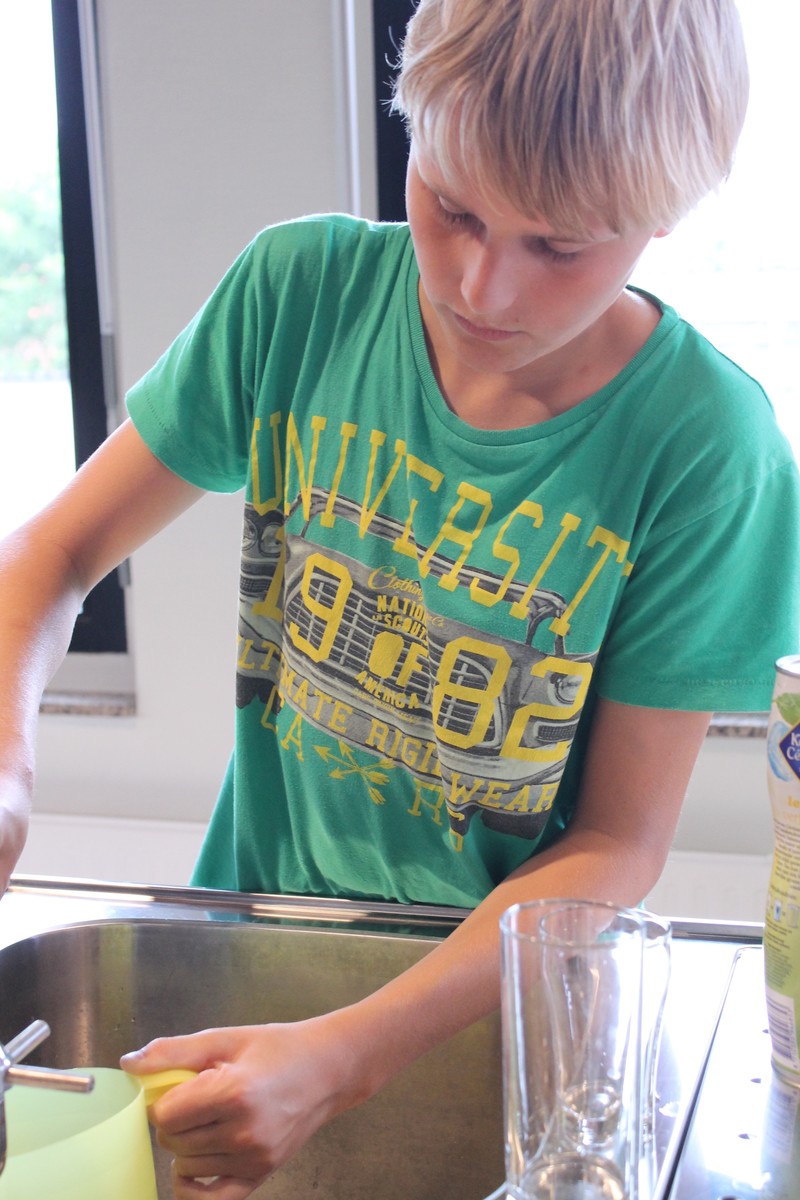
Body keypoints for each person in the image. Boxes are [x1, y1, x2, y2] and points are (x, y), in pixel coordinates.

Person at [1, 0, 798, 1195]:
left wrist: (343, 1060)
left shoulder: (706, 447)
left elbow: (615, 843)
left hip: (495, 1012)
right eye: (451, 207)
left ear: (661, 216)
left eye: (559, 246)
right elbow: (54, 552)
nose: (482, 286)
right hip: (256, 935)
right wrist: (7, 765)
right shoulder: (297, 296)